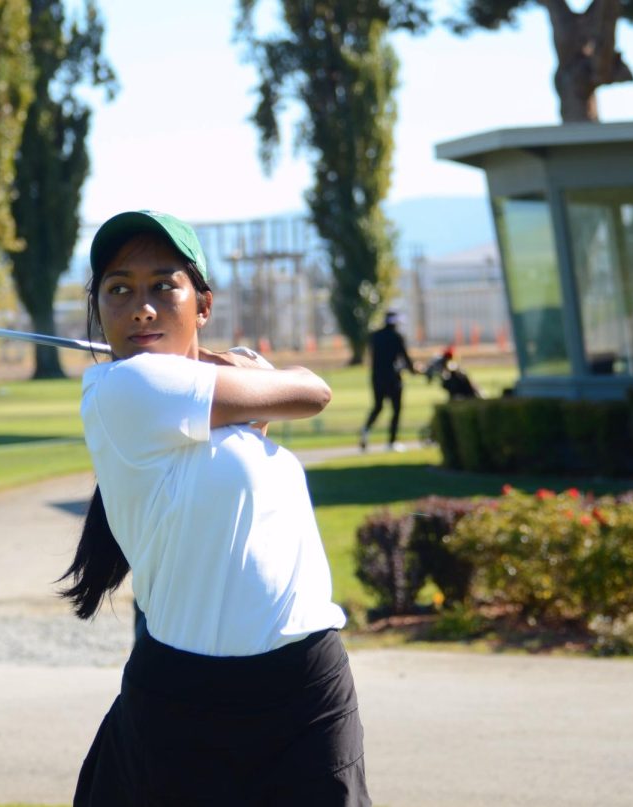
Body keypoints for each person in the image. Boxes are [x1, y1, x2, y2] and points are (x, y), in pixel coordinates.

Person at [63, 210, 370, 806]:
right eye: (119, 289)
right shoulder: (121, 390)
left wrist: (229, 370)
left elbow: (252, 412)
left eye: (163, 286)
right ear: (98, 310)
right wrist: (249, 366)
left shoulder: (194, 398)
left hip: (308, 683)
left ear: (202, 305)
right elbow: (311, 391)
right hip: (189, 697)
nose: (141, 307)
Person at [360, 310, 418, 452]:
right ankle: (391, 442)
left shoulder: (375, 336)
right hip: (393, 377)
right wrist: (413, 370)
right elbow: (404, 357)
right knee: (396, 409)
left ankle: (365, 431)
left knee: (378, 406)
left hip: (376, 376)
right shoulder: (397, 337)